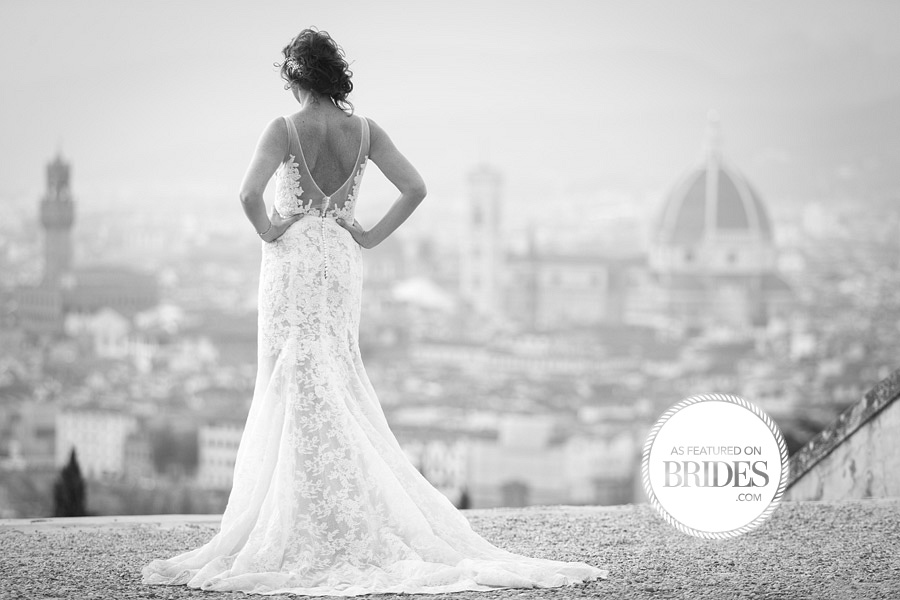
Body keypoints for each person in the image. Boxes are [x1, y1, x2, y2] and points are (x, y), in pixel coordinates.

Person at [141, 27, 608, 596]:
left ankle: (296, 513)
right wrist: (367, 236)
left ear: (295, 77)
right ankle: (345, 507)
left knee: (292, 378)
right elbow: (415, 187)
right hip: (340, 258)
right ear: (333, 74)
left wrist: (270, 230)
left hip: (293, 261)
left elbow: (247, 195)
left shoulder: (285, 128)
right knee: (336, 371)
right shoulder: (364, 131)